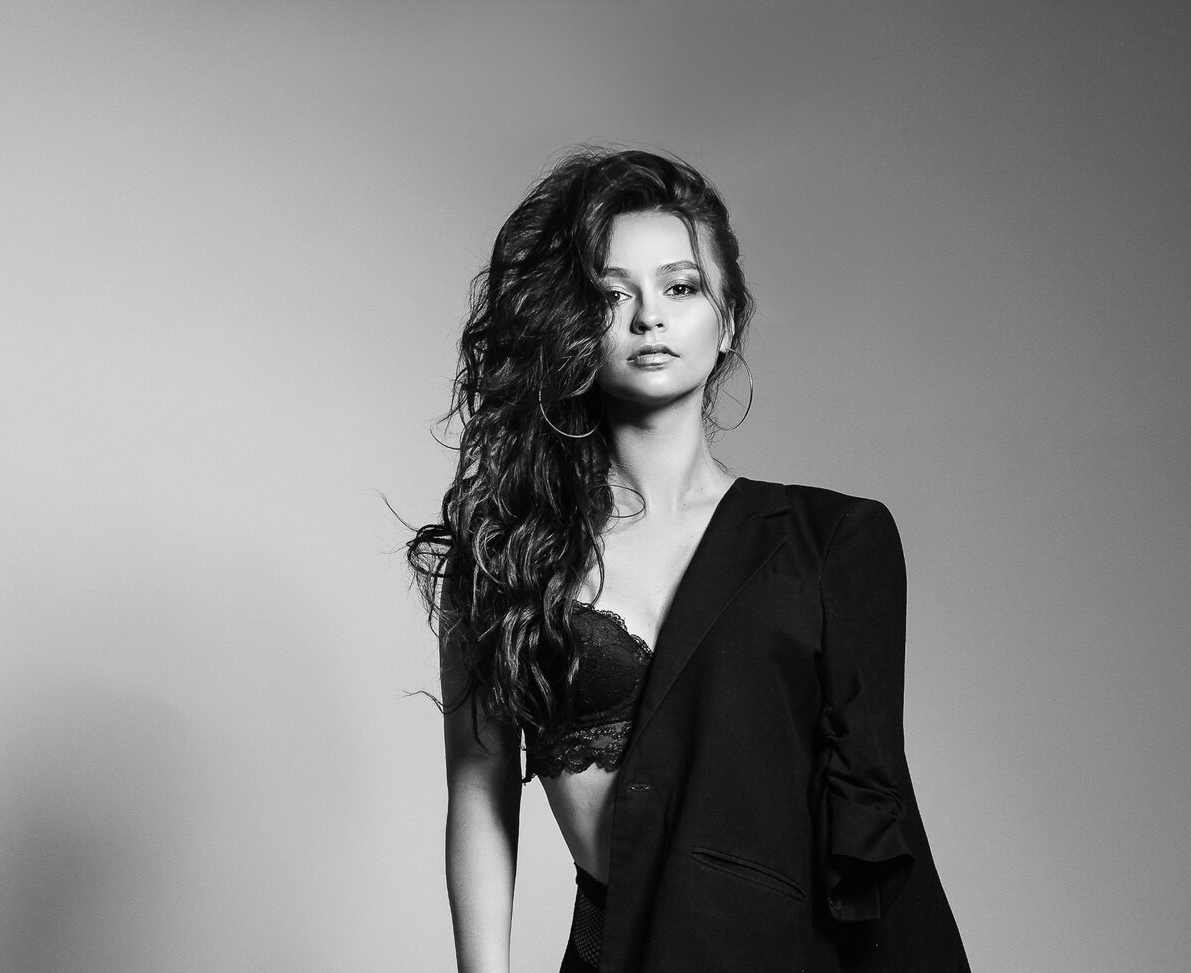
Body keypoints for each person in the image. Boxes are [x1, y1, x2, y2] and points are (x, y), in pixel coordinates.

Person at [409, 148, 968, 973]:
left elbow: (874, 827)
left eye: (680, 287)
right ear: (573, 322)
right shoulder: (507, 552)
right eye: (612, 294)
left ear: (728, 319)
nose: (649, 318)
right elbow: (479, 786)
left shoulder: (832, 542)